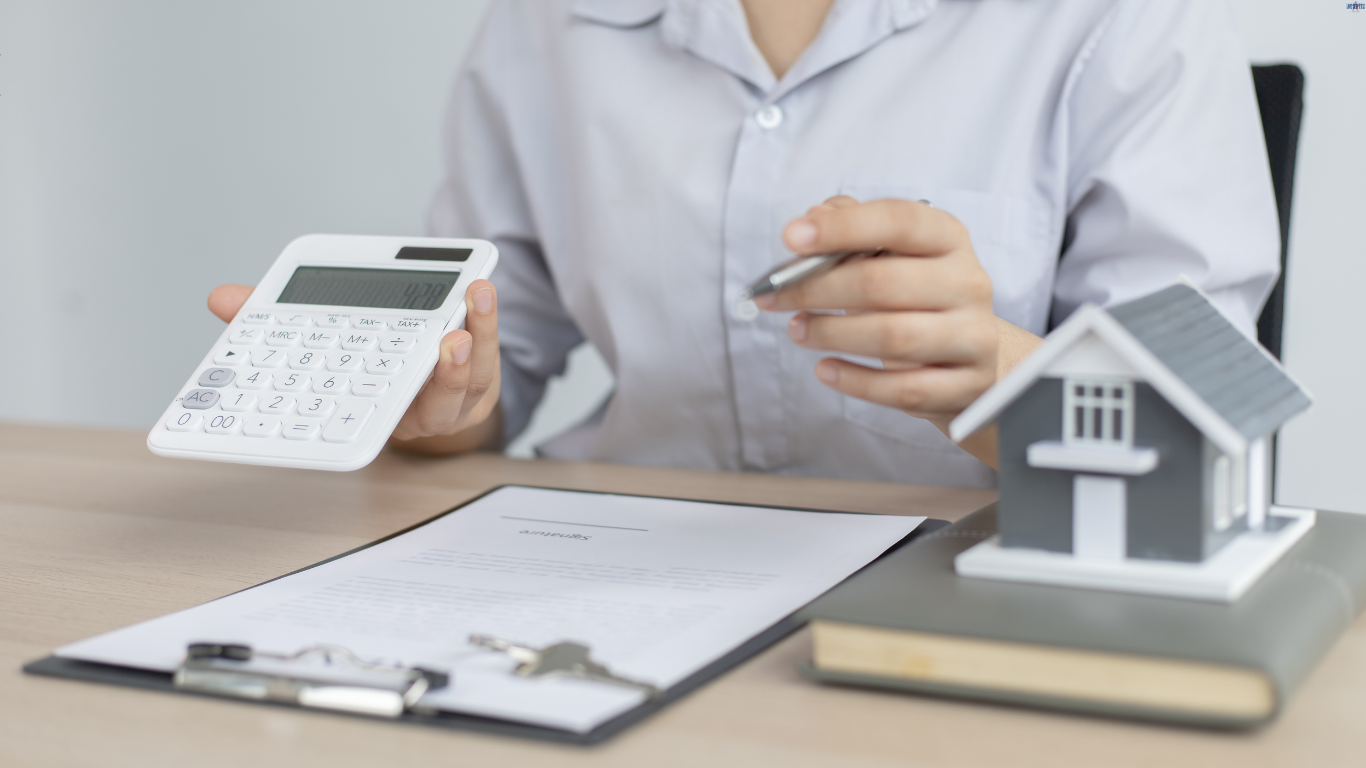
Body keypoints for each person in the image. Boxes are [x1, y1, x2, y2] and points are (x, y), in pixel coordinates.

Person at [209, 0, 1279, 487]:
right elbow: (488, 388)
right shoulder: (543, 25)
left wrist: (999, 377)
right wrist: (438, 404)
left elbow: (1201, 456)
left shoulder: (1129, 20)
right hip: (601, 578)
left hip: (967, 610)